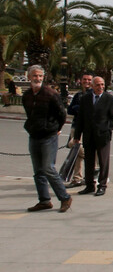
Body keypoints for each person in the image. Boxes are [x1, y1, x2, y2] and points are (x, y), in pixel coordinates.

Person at [22, 65, 72, 213]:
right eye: (35, 76)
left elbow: (62, 113)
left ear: (43, 77)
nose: (37, 78)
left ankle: (65, 197)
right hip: (34, 136)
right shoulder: (27, 96)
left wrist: (57, 128)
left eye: (40, 76)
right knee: (38, 171)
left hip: (49, 136)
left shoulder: (51, 94)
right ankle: (44, 200)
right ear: (29, 77)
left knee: (48, 168)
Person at [71, 76, 113, 196]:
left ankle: (102, 185)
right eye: (97, 85)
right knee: (89, 161)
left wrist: (107, 129)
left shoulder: (110, 99)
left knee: (103, 161)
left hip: (103, 136)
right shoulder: (85, 99)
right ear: (92, 86)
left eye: (102, 84)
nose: (100, 87)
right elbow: (80, 118)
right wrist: (77, 136)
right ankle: (89, 185)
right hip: (88, 135)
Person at [66, 73, 94, 188]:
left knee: (77, 149)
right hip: (76, 126)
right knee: (76, 151)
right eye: (84, 79)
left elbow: (91, 110)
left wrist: (79, 108)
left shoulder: (94, 95)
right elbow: (70, 110)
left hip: (88, 128)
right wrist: (79, 108)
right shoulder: (78, 95)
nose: (86, 81)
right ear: (81, 81)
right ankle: (77, 178)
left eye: (89, 80)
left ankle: (94, 169)